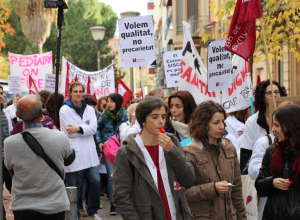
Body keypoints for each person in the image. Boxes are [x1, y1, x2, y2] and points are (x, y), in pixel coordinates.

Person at [113, 96, 195, 220]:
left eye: (163, 116)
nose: (161, 121)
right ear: (143, 120)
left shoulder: (172, 142)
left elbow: (189, 179)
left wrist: (172, 151)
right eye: (155, 117)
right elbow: (121, 198)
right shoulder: (126, 152)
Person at [4, 95, 76, 220]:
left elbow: (11, 172)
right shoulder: (59, 136)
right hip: (54, 204)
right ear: (42, 113)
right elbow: (70, 159)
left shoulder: (9, 143)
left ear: (18, 115)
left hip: (23, 206)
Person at [184, 100, 246, 220]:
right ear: (203, 124)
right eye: (216, 122)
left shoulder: (229, 147)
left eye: (223, 121)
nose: (221, 126)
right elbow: (184, 192)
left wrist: (241, 217)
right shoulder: (190, 152)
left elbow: (237, 190)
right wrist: (213, 188)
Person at [60, 82, 101, 220]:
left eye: (80, 91)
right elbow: (69, 132)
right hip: (74, 153)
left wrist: (78, 128)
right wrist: (84, 128)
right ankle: (74, 214)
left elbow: (93, 129)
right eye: (75, 91)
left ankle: (93, 210)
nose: (78, 94)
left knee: (95, 180)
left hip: (89, 153)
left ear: (83, 93)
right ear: (70, 93)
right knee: (73, 186)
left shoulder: (90, 109)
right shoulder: (64, 110)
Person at [255, 104, 300, 220]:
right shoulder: (271, 151)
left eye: (276, 125)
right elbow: (259, 185)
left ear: (288, 126)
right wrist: (272, 182)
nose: (273, 130)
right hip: (273, 215)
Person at [240, 80, 286, 173]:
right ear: (262, 97)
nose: (274, 95)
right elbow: (246, 153)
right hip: (260, 175)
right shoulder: (252, 121)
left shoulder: (289, 118)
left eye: (277, 92)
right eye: (269, 93)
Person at [95, 93, 128, 215]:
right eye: (108, 101)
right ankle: (113, 205)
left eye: (112, 101)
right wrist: (99, 142)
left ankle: (123, 202)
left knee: (123, 176)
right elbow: (97, 129)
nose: (109, 104)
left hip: (123, 147)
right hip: (109, 149)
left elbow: (127, 129)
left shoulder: (125, 114)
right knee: (111, 176)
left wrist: (114, 138)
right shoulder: (104, 114)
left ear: (118, 102)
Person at [0, 86, 11, 220]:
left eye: (2, 93)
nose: (1, 96)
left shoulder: (5, 111)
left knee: (13, 188)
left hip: (7, 157)